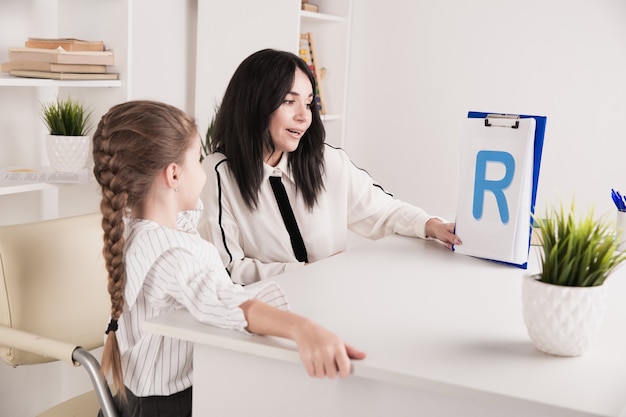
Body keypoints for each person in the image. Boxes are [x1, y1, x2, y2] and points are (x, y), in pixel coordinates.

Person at [92, 100, 366, 417]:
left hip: (139, 398)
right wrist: (304, 330)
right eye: (197, 161)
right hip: (170, 407)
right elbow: (227, 305)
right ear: (173, 175)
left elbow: (190, 233)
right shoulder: (171, 255)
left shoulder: (139, 230)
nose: (205, 172)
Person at [199, 48, 461, 285]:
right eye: (289, 101)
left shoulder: (326, 161)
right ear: (254, 104)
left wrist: (431, 224)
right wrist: (309, 271)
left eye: (309, 102)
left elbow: (383, 211)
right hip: (269, 316)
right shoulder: (218, 174)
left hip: (328, 303)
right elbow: (227, 269)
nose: (304, 116)